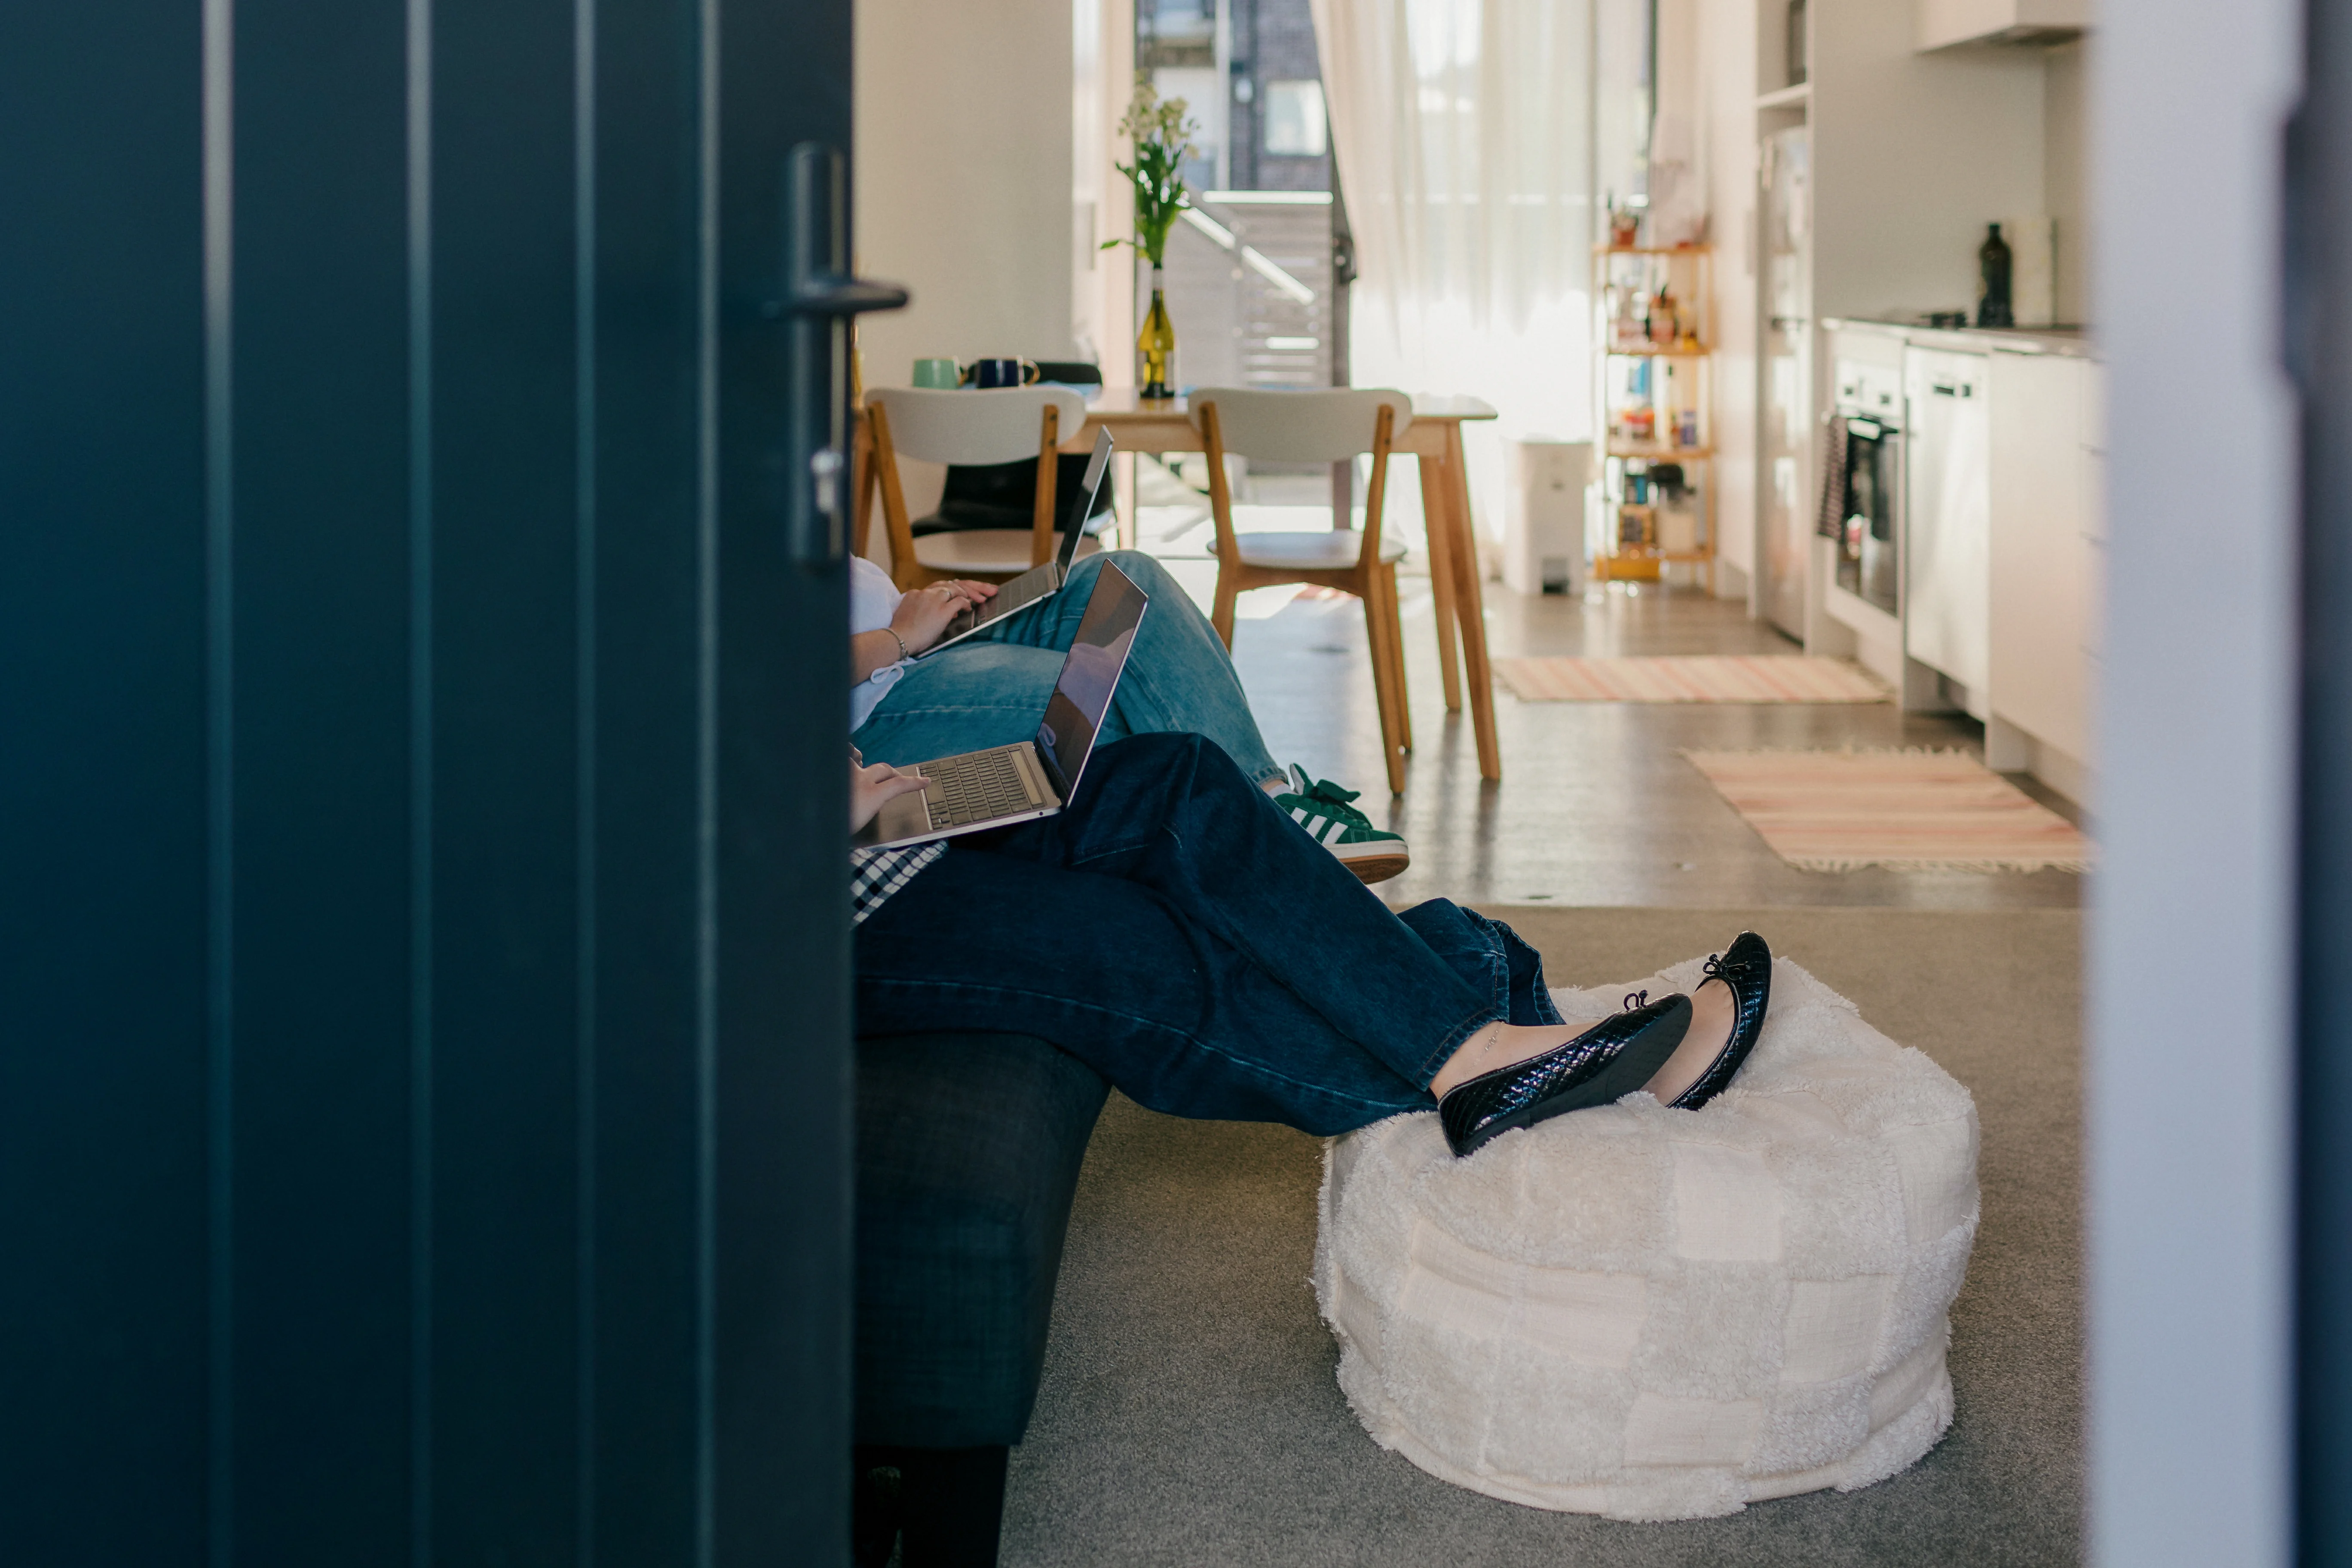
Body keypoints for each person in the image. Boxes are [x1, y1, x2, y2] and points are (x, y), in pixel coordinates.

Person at [850, 731, 1771, 1155]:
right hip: (786, 907)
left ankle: (1485, 1012)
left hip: (839, 822)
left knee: (1182, 777)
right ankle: (1495, 1056)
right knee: (1150, 949)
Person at [849, 548, 1412, 882]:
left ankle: (1264, 792)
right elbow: (774, 678)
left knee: (1127, 575)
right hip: (865, 706)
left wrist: (909, 609)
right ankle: (1263, 830)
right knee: (1104, 696)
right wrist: (896, 637)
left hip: (901, 644)